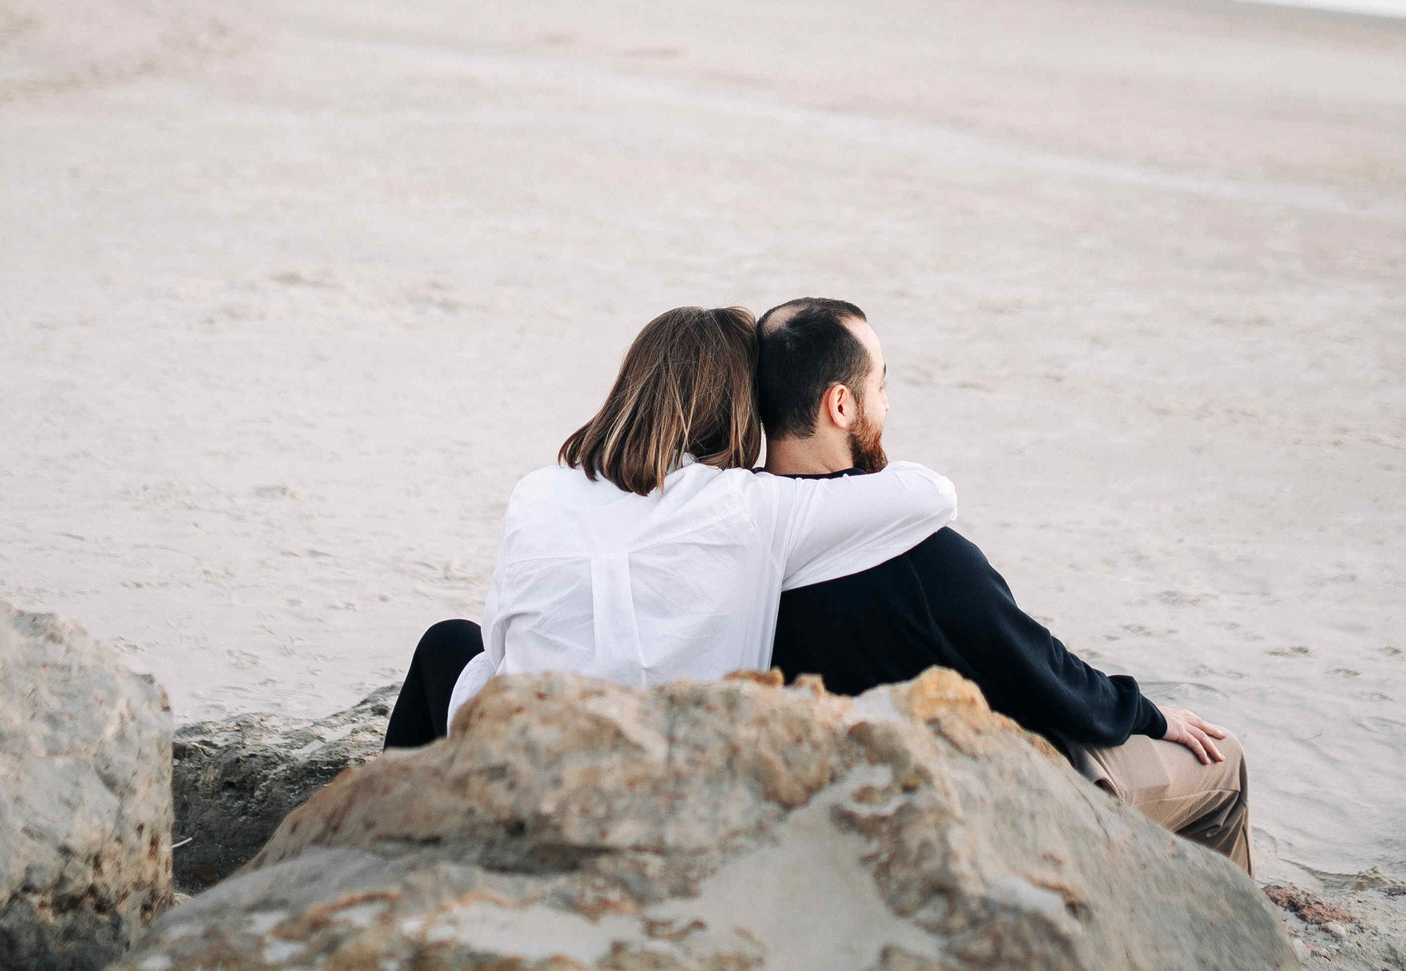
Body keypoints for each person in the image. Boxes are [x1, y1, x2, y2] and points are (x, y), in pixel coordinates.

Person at [760, 297, 1254, 872]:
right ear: (841, 404)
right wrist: (1148, 713)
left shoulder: (735, 533)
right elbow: (1046, 680)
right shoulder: (920, 558)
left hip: (829, 806)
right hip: (982, 812)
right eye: (881, 386)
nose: (888, 405)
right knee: (1224, 766)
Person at [382, 303, 957, 749]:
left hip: (523, 753)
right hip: (668, 776)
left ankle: (370, 829)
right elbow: (930, 494)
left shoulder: (535, 491)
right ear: (737, 405)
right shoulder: (753, 506)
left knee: (450, 644)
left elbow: (502, 645)